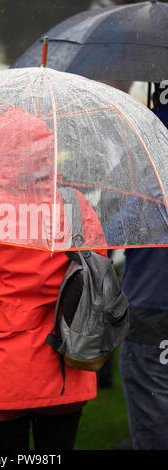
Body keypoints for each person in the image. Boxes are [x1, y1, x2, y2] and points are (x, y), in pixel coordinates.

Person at [0, 108, 107, 450]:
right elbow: (98, 276)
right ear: (48, 152)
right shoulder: (76, 205)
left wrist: (1, 304)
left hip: (3, 361)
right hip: (67, 354)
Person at [118, 83, 168, 450]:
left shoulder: (148, 152)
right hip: (153, 296)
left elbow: (113, 229)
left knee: (153, 414)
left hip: (152, 302)